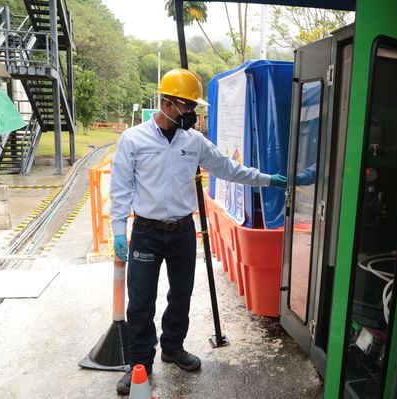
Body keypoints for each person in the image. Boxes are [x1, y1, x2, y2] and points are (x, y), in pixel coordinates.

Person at [110, 68, 287, 395]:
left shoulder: (194, 141)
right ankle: (139, 364)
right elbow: (120, 188)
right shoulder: (133, 139)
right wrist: (119, 229)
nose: (193, 112)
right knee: (140, 302)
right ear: (167, 103)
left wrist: (268, 179)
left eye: (194, 106)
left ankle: (173, 347)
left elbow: (229, 169)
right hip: (146, 232)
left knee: (181, 295)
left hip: (181, 232)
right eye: (187, 106)